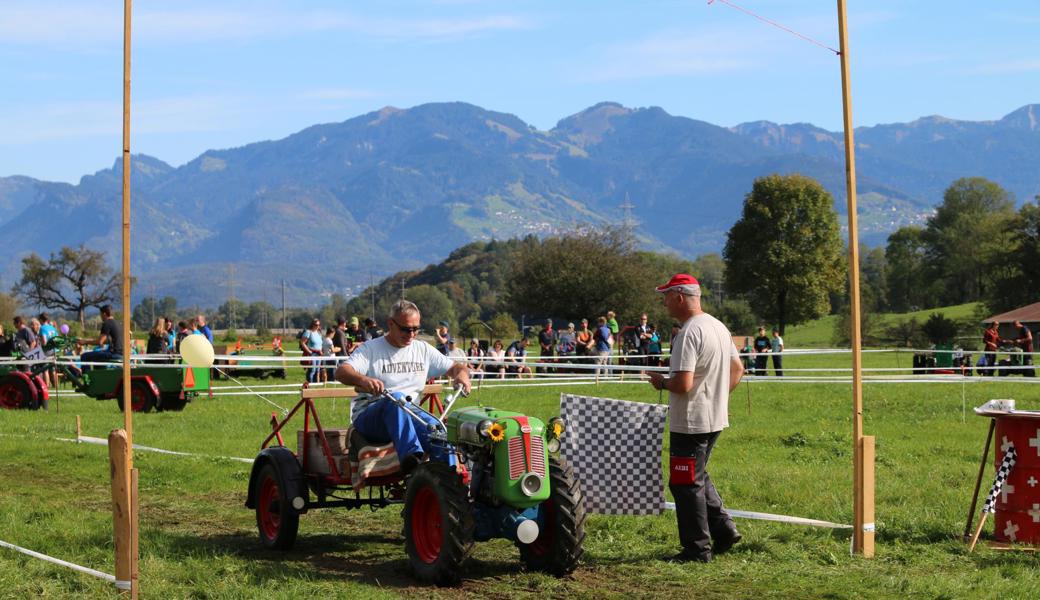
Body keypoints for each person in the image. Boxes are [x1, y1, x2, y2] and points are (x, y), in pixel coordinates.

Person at [646, 274, 743, 563]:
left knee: (684, 483)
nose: (663, 304)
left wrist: (661, 382)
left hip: (690, 422)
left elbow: (683, 384)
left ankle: (697, 549)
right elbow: (737, 369)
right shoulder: (718, 326)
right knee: (696, 476)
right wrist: (716, 396)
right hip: (714, 418)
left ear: (679, 297)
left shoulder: (688, 333)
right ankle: (724, 530)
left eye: (665, 297)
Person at [335, 300, 471, 474]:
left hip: (410, 414)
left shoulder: (422, 349)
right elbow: (341, 372)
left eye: (416, 329)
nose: (412, 334)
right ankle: (412, 461)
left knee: (437, 429)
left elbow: (455, 367)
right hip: (370, 416)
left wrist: (462, 375)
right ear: (391, 324)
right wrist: (363, 380)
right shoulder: (371, 349)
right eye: (406, 329)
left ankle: (450, 478)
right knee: (396, 399)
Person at [79, 305, 123, 371]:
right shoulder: (118, 323)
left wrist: (85, 342)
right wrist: (87, 340)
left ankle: (87, 378)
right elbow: (107, 341)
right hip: (121, 353)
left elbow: (100, 342)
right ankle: (99, 377)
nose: (100, 316)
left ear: (104, 314)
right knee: (98, 356)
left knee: (84, 356)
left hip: (114, 353)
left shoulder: (107, 323)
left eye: (100, 314)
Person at [299, 318, 324, 383]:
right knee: (312, 370)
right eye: (316, 325)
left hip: (319, 354)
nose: (317, 326)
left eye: (318, 325)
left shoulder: (319, 333)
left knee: (318, 371)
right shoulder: (308, 332)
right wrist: (309, 352)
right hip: (312, 354)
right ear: (312, 325)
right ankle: (310, 384)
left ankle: (317, 385)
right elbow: (302, 342)